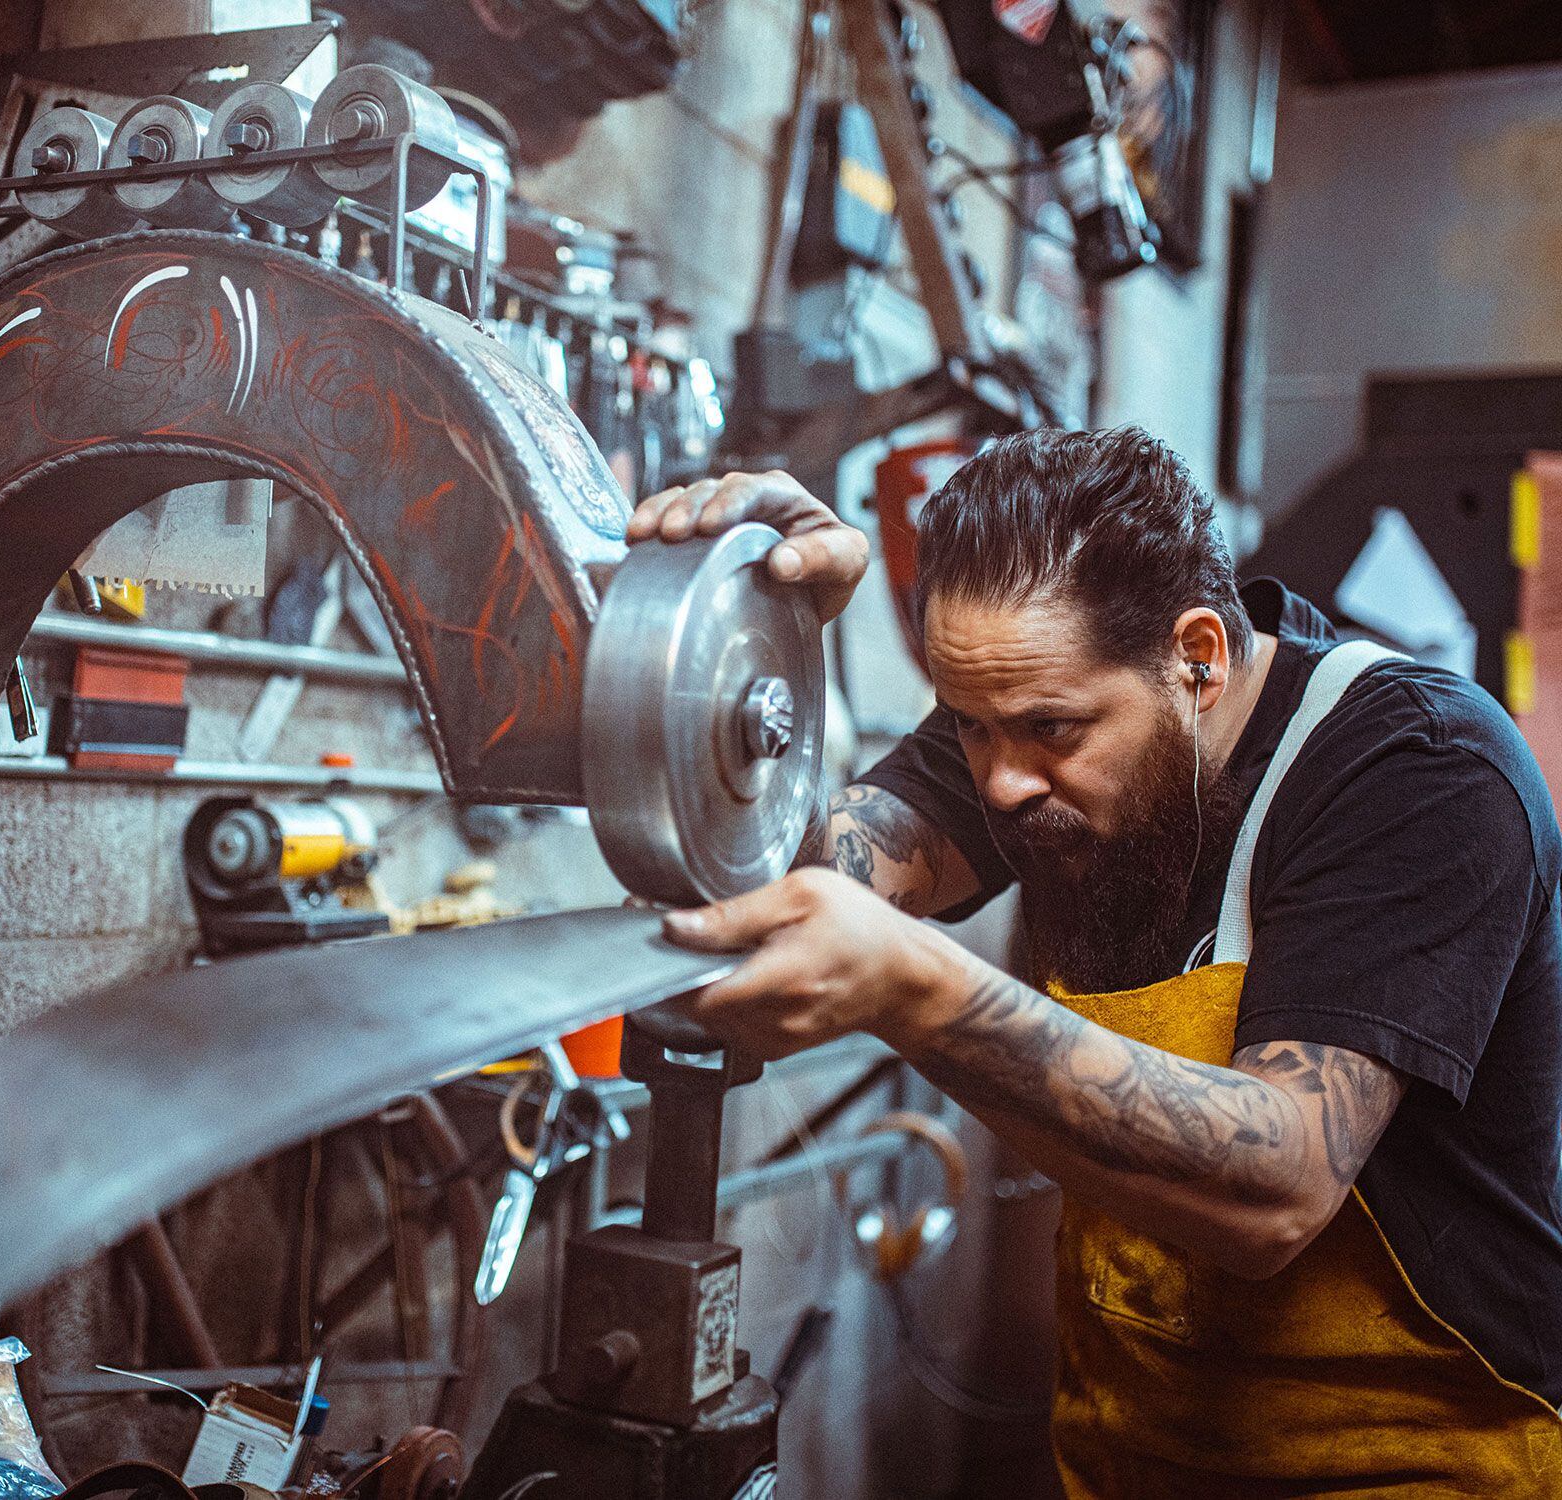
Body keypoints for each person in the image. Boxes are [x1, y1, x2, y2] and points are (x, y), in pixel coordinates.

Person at [627, 428, 1562, 1495]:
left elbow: (1277, 1192)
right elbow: (790, 892)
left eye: (1050, 729)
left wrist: (916, 991)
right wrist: (772, 651)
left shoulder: (1416, 773)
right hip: (1135, 1459)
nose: (1002, 783)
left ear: (1195, 658)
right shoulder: (1018, 731)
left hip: (1411, 1465)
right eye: (970, 729)